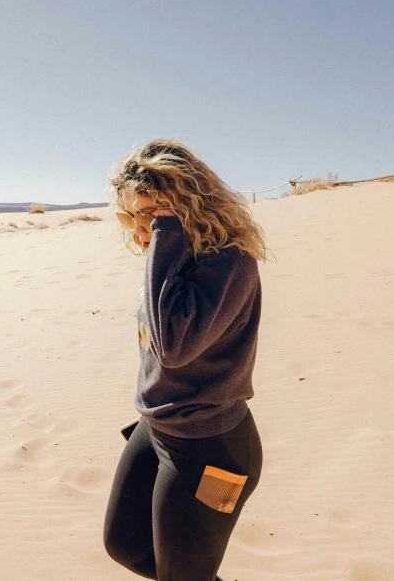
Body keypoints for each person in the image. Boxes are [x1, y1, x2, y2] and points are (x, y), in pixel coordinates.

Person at [103, 139, 271, 581]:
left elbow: (174, 347)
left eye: (149, 215)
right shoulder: (173, 260)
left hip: (212, 449)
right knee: (124, 545)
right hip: (157, 428)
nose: (139, 229)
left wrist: (166, 233)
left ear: (186, 208)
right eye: (130, 215)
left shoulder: (230, 263)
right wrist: (165, 237)